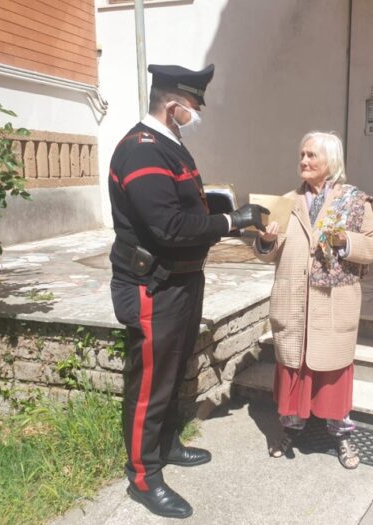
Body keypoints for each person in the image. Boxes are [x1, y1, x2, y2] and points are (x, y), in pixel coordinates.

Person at [108, 63, 268, 519]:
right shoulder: (141, 151)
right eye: (194, 104)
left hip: (182, 279)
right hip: (153, 285)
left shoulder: (170, 146)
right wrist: (231, 221)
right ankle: (143, 475)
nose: (198, 111)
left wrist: (230, 218)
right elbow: (168, 227)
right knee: (150, 383)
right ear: (173, 104)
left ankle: (166, 444)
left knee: (175, 371)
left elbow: (192, 204)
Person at [254, 131, 373, 469]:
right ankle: (290, 427)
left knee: (332, 375)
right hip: (294, 305)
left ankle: (341, 434)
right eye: (301, 155)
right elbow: (266, 253)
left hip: (331, 305)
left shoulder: (353, 201)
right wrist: (266, 241)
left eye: (312, 155)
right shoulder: (285, 202)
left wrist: (346, 242)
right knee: (293, 369)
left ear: (332, 161)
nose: (304, 161)